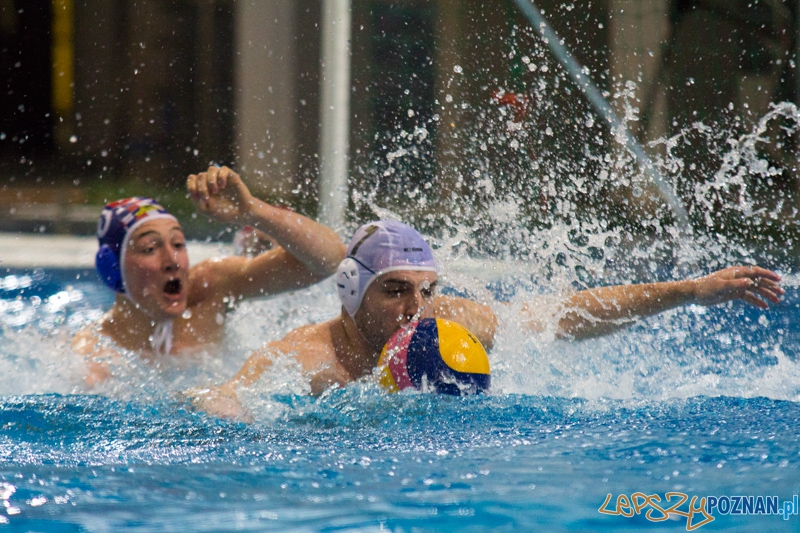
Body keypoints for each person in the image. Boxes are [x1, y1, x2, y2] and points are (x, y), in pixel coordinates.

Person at [188, 220, 784, 420]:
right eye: (394, 291)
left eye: (425, 291)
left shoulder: (451, 323)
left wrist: (687, 290)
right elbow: (229, 397)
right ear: (350, 293)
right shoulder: (308, 359)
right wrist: (220, 403)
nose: (415, 310)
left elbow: (567, 315)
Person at [72, 166, 346, 385]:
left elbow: (330, 259)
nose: (173, 261)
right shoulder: (92, 359)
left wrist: (252, 210)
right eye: (150, 248)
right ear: (111, 269)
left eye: (178, 244)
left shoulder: (209, 288)